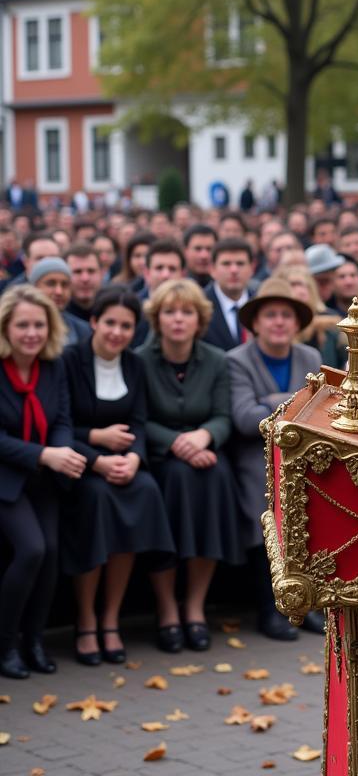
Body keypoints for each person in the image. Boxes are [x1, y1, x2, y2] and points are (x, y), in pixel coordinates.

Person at [62, 286, 175, 666]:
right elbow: (60, 425)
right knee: (97, 499)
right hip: (81, 464)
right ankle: (86, 618)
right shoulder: (69, 361)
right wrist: (95, 453)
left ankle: (110, 618)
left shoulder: (133, 364)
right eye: (109, 322)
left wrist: (134, 459)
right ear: (93, 322)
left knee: (143, 490)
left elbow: (139, 422)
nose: (117, 332)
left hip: (123, 463)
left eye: (126, 326)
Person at [137, 278, 242, 653]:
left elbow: (223, 416)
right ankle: (167, 608)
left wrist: (203, 437)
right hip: (161, 459)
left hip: (205, 453)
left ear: (199, 320)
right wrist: (177, 443)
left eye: (187, 312)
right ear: (157, 318)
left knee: (215, 476)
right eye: (170, 312)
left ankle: (195, 606)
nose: (178, 320)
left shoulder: (215, 359)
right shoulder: (139, 360)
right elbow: (139, 417)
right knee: (179, 477)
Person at [227, 278, 321, 640]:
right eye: (270, 315)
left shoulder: (310, 357)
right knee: (263, 493)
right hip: (255, 456)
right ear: (256, 323)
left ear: (297, 323)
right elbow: (245, 418)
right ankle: (271, 608)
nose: (279, 322)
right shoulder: (236, 361)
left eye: (286, 315)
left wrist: (269, 400)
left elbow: (318, 411)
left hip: (302, 454)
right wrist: (290, 401)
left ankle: (307, 605)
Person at [0, 285, 81, 679]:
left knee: (50, 555)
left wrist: (60, 452)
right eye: (22, 326)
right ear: (6, 328)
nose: (31, 333)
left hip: (44, 477)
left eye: (38, 325)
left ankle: (34, 640)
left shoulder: (53, 365)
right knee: (31, 549)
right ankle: (5, 644)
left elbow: (62, 419)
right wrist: (42, 454)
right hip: (7, 477)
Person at [276, 265, 346, 369]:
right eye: (294, 285)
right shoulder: (277, 323)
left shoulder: (331, 321)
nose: (301, 290)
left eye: (305, 285)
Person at [202, 238, 255, 353]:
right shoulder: (200, 305)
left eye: (240, 263)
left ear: (252, 268)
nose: (234, 270)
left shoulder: (261, 303)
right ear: (212, 269)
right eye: (226, 264)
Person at [29, 258, 92, 346]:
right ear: (34, 287)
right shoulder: (22, 328)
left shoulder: (83, 330)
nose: (59, 291)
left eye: (64, 284)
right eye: (51, 283)